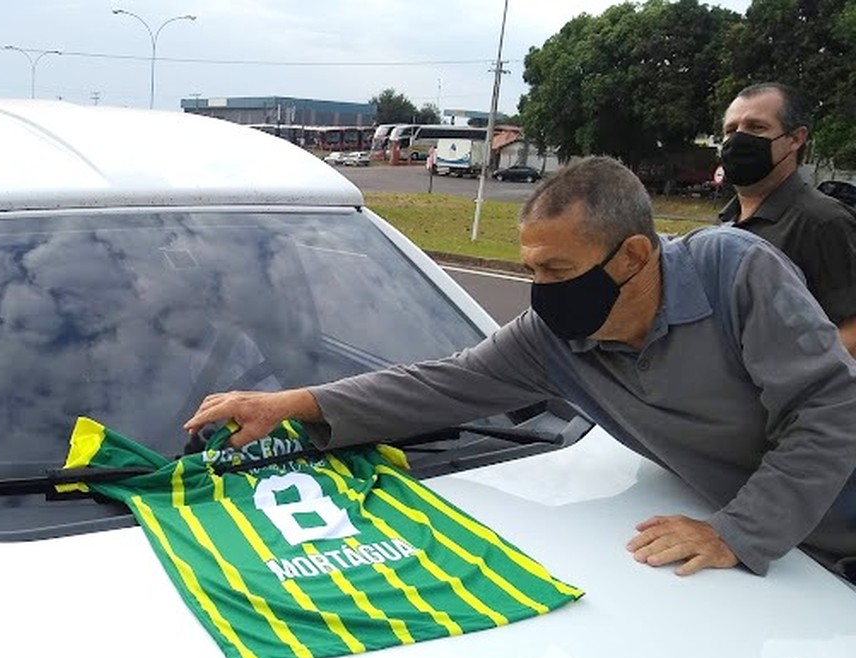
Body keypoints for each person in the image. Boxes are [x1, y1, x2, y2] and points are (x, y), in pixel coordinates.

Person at [184, 157, 856, 579]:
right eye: (531, 268)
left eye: (557, 270)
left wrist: (735, 532)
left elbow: (830, 407)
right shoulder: (554, 337)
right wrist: (289, 404)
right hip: (788, 562)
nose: (541, 291)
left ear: (632, 257)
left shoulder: (734, 271)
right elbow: (444, 382)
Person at [718, 82, 856, 356]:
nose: (738, 139)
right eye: (731, 130)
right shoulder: (726, 222)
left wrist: (796, 380)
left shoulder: (822, 221)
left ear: (795, 139)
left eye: (756, 127)